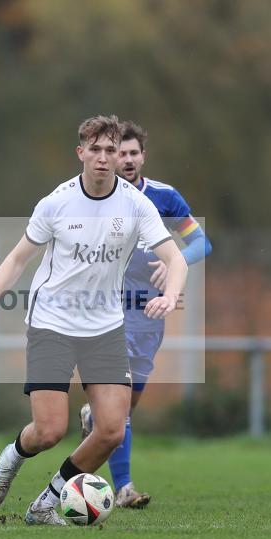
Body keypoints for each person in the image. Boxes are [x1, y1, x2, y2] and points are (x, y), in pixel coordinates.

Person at [0, 115, 188, 525]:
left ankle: (45, 504)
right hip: (51, 321)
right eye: (97, 149)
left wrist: (171, 294)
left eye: (112, 150)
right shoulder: (57, 202)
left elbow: (175, 257)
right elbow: (18, 258)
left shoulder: (137, 204)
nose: (105, 158)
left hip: (105, 326)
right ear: (81, 152)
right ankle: (13, 456)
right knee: (49, 431)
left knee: (110, 430)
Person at [80, 120, 211, 508]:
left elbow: (201, 243)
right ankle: (124, 488)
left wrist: (177, 262)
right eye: (120, 153)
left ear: (143, 156)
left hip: (150, 312)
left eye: (134, 153)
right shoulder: (95, 197)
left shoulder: (165, 198)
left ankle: (95, 421)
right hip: (108, 309)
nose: (127, 159)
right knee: (118, 409)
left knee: (127, 405)